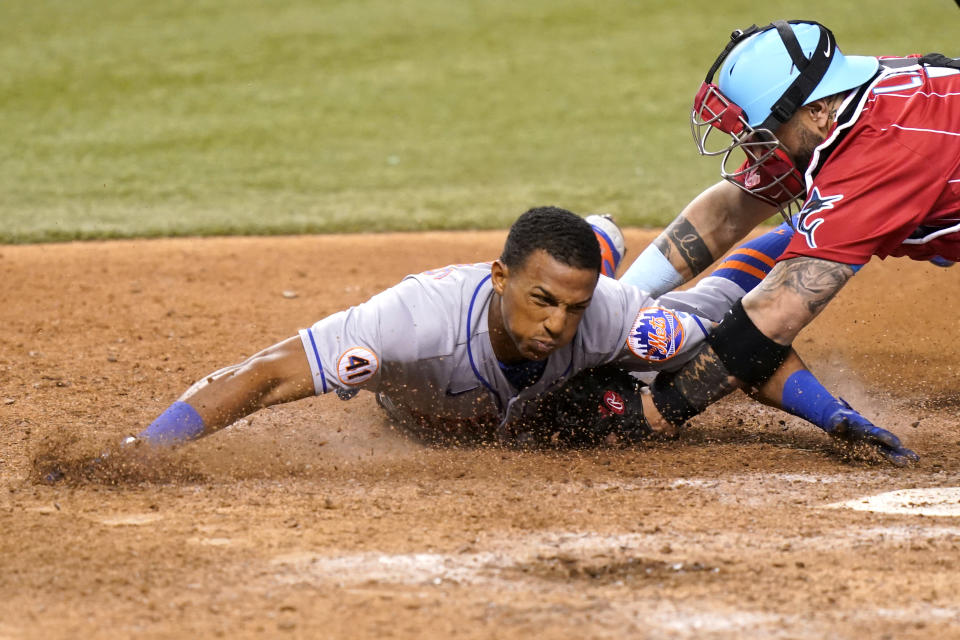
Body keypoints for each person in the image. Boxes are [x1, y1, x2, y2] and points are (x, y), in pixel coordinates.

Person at [88, 205, 902, 463]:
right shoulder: (410, 321)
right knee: (619, 317)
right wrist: (139, 452)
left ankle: (797, 220)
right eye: (541, 300)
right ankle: (601, 237)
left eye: (571, 308)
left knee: (711, 314)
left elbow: (742, 359)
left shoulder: (602, 318)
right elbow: (266, 374)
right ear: (500, 276)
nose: (555, 326)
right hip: (447, 410)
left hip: (595, 345)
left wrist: (831, 415)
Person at [620, 19, 956, 462]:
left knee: (788, 290)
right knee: (803, 240)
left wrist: (661, 410)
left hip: (908, 157)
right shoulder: (841, 105)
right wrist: (621, 301)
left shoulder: (880, 147)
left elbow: (776, 315)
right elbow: (727, 213)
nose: (753, 150)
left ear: (816, 110)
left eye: (761, 135)